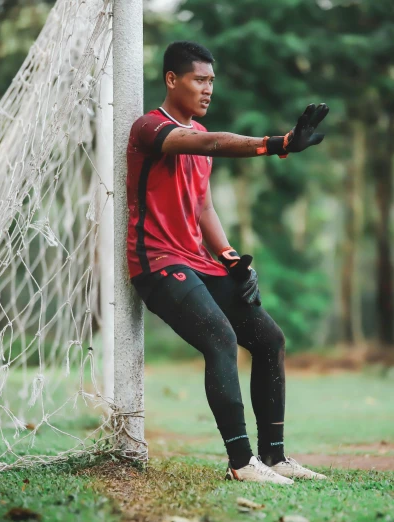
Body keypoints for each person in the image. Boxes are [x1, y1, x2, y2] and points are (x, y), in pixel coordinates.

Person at [126, 41, 329, 484]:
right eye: (199, 79)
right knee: (220, 338)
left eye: (211, 81)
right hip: (156, 263)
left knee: (269, 339)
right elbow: (212, 142)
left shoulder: (197, 134)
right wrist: (280, 143)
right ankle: (241, 462)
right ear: (171, 80)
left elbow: (203, 210)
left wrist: (233, 259)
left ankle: (273, 457)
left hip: (196, 260)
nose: (208, 89)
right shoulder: (149, 128)